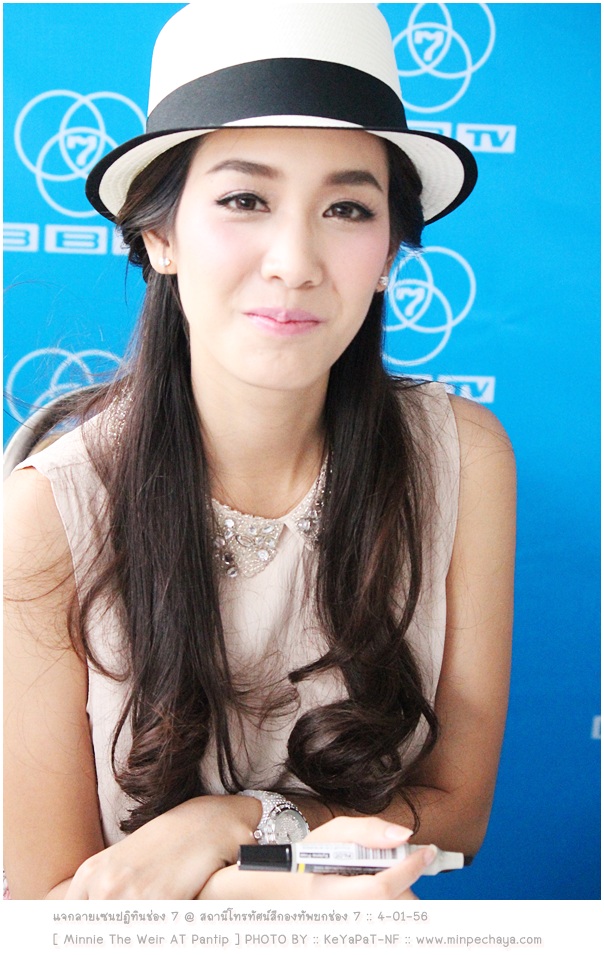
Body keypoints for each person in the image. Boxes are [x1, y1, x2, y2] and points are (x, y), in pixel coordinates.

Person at [3, 3, 516, 901]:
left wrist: (232, 825)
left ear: (388, 252)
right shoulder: (48, 514)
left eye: (347, 208)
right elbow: (64, 901)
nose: (295, 260)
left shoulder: (461, 458)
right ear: (159, 233)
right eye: (245, 200)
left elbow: (456, 814)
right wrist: (274, 885)